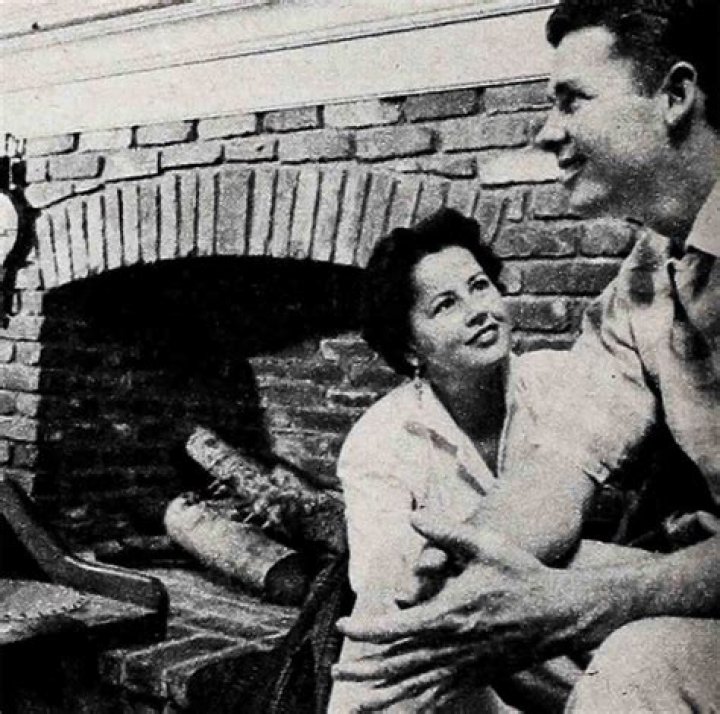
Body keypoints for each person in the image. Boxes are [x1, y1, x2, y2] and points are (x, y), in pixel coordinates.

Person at [334, 0, 720, 710]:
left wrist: (588, 602)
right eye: (444, 305)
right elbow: (561, 466)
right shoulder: (642, 284)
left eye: (572, 100)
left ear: (675, 95)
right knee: (432, 599)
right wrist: (463, 566)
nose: (548, 132)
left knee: (641, 661)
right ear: (410, 349)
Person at [329, 208, 581, 712]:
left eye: (480, 286)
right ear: (410, 347)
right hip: (462, 653)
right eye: (445, 304)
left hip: (572, 625)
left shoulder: (562, 383)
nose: (478, 310)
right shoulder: (380, 441)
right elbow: (393, 593)